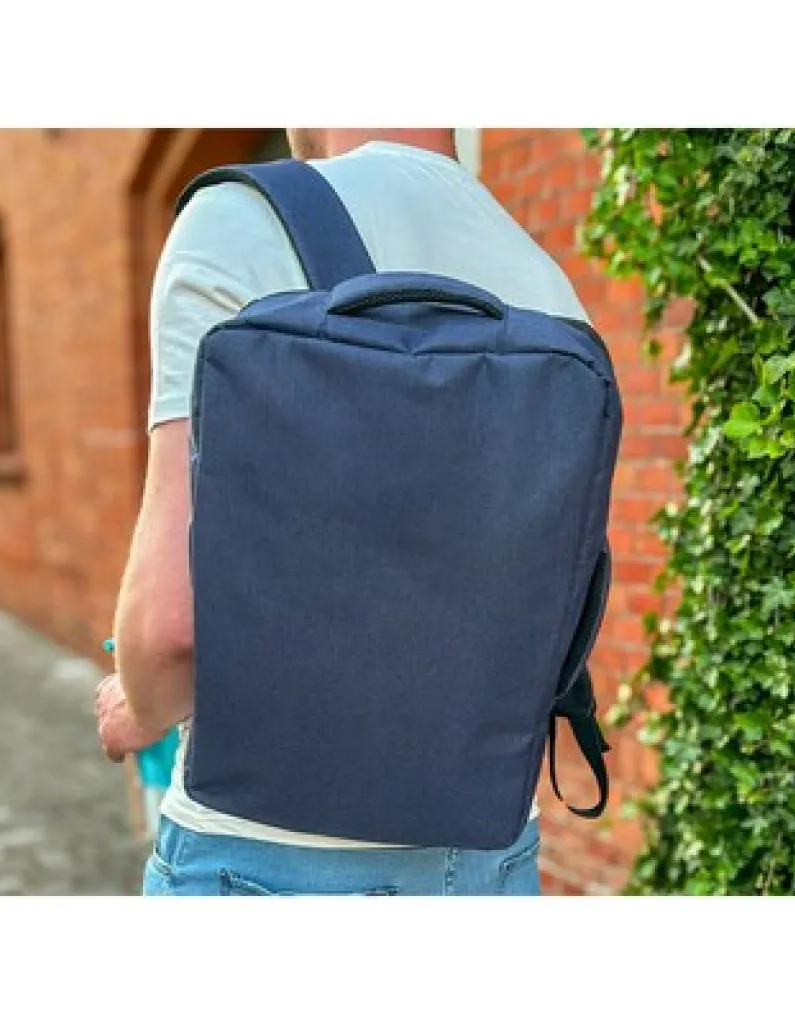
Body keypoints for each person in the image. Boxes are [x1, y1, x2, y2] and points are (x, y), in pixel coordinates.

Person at [95, 128, 591, 896]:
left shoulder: (243, 221)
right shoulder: (544, 278)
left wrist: (140, 704)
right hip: (493, 851)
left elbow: (170, 630)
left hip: (267, 860)